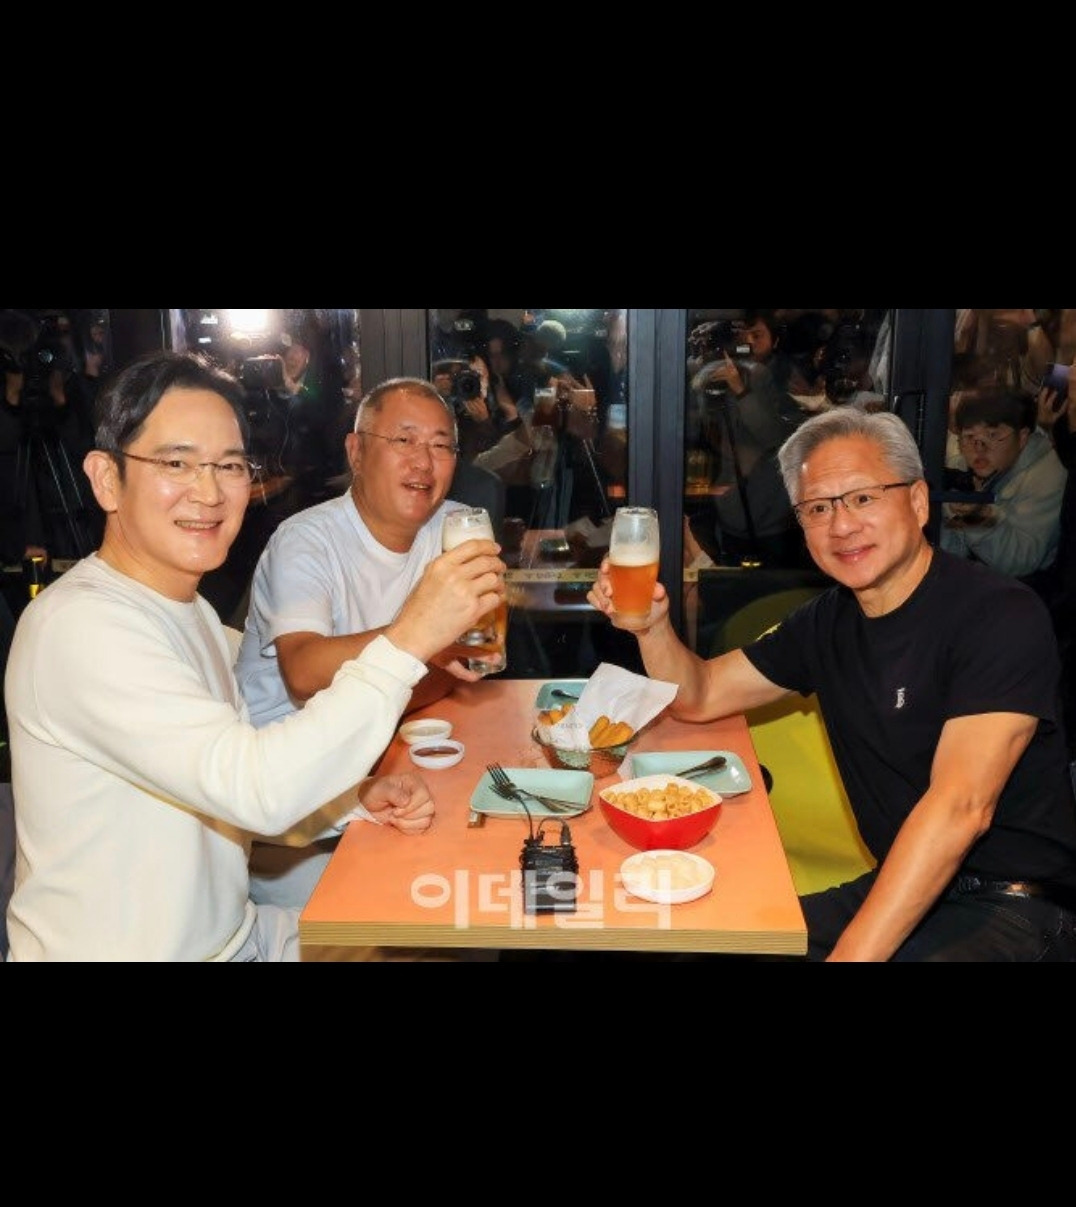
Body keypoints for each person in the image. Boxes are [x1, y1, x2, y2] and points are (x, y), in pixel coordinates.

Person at [3, 351, 504, 961]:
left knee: (442, 935)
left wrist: (351, 801)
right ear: (107, 478)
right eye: (177, 462)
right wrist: (409, 637)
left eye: (230, 465)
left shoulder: (192, 617)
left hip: (240, 938)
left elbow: (228, 794)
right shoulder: (82, 627)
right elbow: (255, 788)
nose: (208, 491)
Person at [588, 406, 1076, 961]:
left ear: (918, 502)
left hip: (1016, 907)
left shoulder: (998, 615)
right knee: (704, 949)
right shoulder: (828, 621)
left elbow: (960, 808)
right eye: (818, 508)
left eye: (863, 498)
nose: (841, 526)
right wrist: (651, 628)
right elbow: (700, 694)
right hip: (904, 884)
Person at [235, 377, 503, 909]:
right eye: (403, 440)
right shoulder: (307, 541)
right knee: (437, 904)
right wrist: (421, 636)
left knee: (491, 869)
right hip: (293, 813)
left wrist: (438, 657)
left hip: (384, 770)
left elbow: (463, 665)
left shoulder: (457, 528)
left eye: (441, 445)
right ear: (356, 452)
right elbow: (303, 673)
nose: (423, 462)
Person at [940, 386, 1068, 583]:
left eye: (993, 435)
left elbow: (1022, 561)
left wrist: (978, 518)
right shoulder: (963, 464)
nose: (979, 449)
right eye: (970, 436)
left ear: (1022, 437)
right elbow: (951, 552)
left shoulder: (1048, 474)